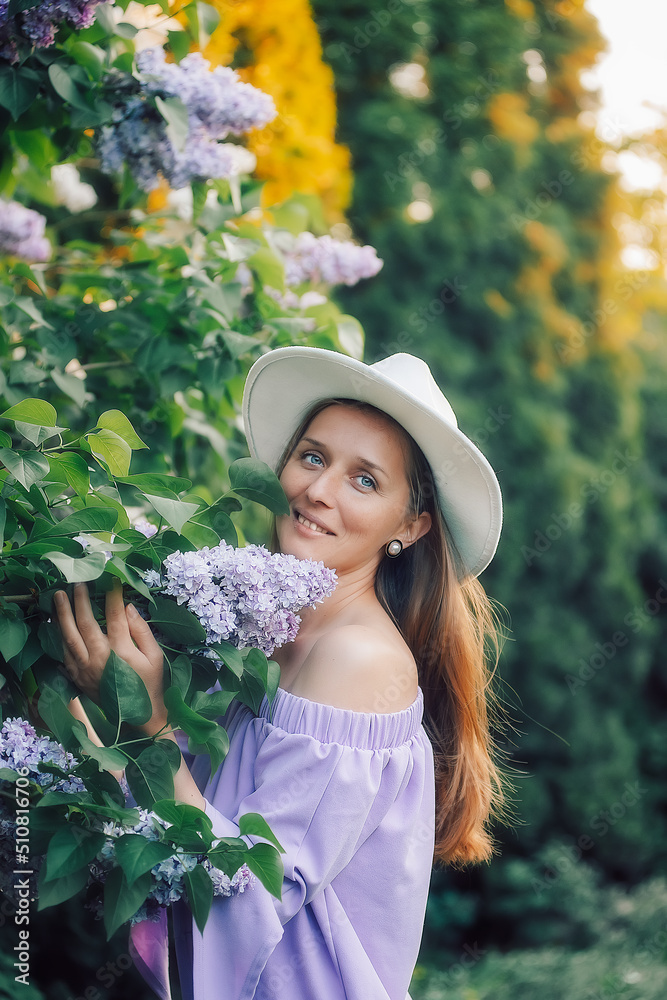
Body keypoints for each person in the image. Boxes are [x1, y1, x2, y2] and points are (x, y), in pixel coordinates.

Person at [54, 346, 508, 1000]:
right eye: (313, 457)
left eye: (364, 480)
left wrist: (149, 725)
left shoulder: (360, 661)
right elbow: (177, 816)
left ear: (409, 525)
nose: (317, 491)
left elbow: (247, 893)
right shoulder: (266, 628)